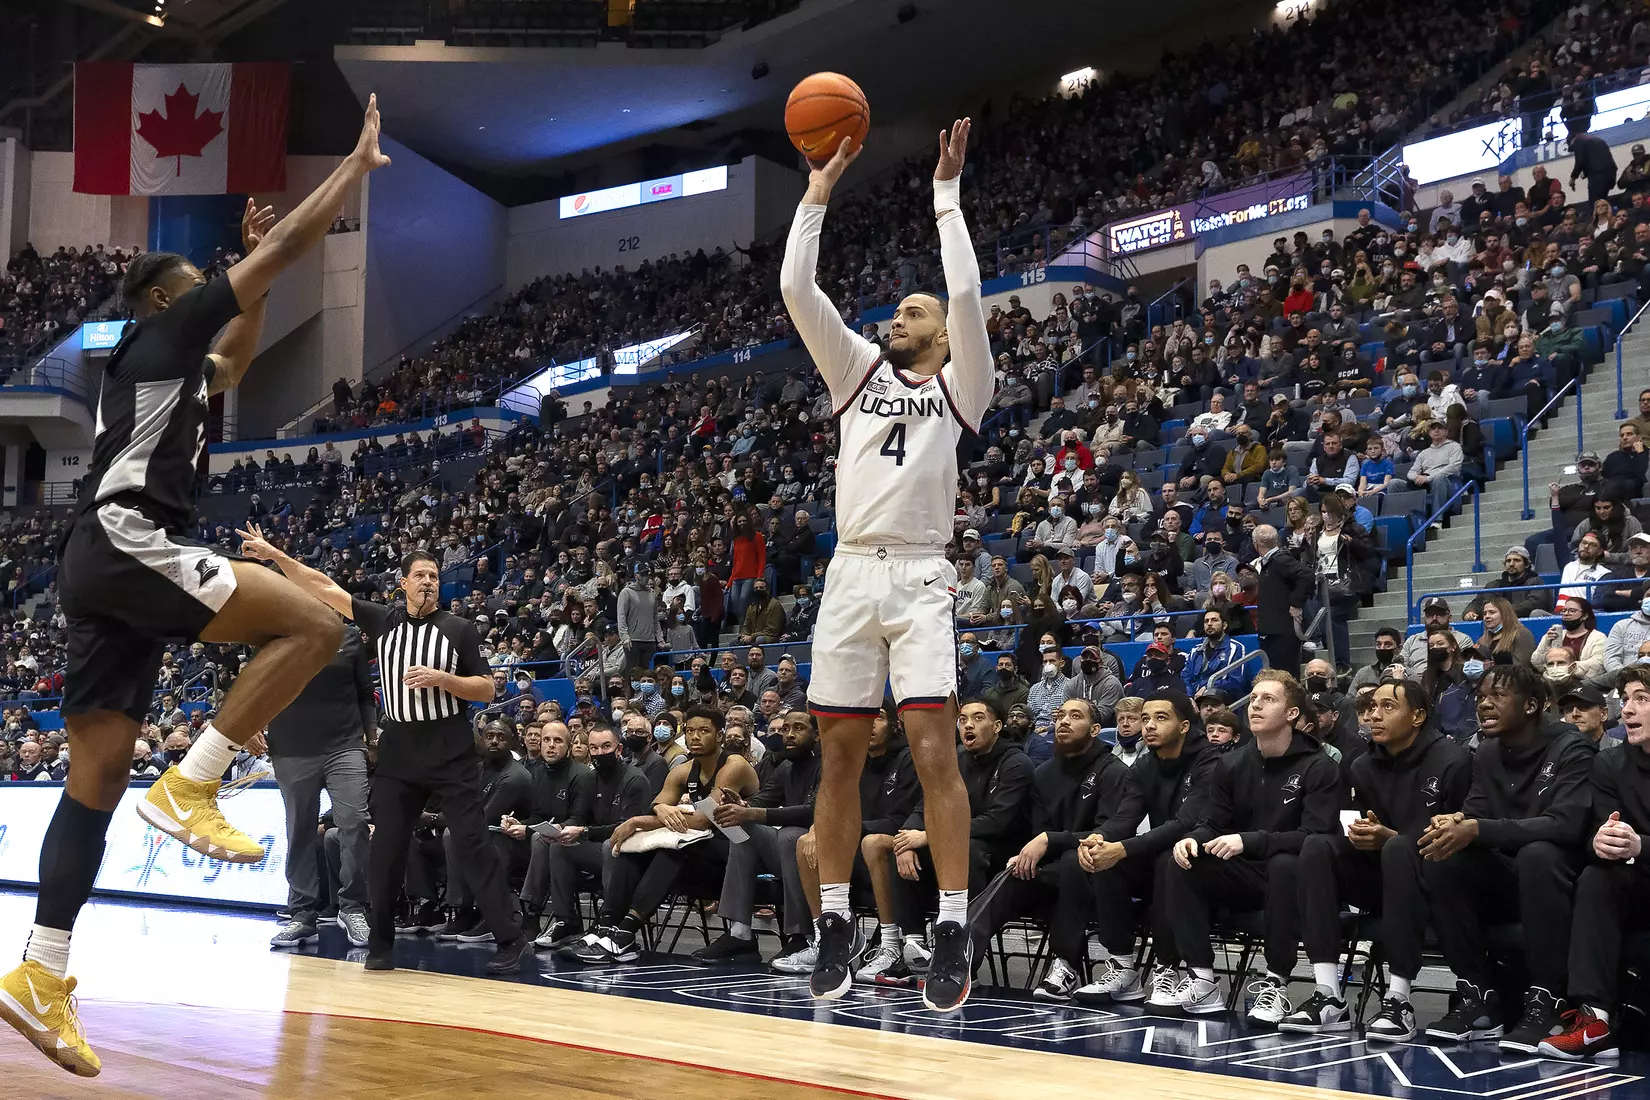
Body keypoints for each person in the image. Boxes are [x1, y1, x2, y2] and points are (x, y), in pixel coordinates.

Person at [0, 97, 391, 1078]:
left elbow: (240, 357)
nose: (215, 292)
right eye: (201, 288)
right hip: (130, 537)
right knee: (315, 624)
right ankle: (194, 780)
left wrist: (247, 283)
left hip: (98, 560)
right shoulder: (163, 334)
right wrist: (350, 170)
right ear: (164, 302)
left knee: (94, 781)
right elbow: (290, 249)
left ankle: (39, 970)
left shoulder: (172, 369)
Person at [779, 122, 991, 1009]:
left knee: (934, 748)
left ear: (943, 336)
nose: (896, 320)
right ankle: (834, 919)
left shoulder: (963, 384)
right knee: (838, 754)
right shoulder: (856, 373)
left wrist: (945, 196)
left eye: (913, 314)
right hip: (851, 574)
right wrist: (818, 189)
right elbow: (797, 287)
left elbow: (966, 290)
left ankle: (950, 925)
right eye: (896, 313)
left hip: (920, 576)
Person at [234, 535, 529, 975]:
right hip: (399, 749)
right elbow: (322, 586)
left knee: (472, 842)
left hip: (449, 748)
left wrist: (443, 680)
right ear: (403, 583)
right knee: (386, 847)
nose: (428, 582)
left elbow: (487, 689)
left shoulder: (460, 629)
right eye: (420, 575)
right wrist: (276, 556)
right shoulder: (382, 621)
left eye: (434, 576)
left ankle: (510, 938)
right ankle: (380, 944)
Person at [1278, 681, 1470, 1038]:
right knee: (1317, 847)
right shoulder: (1362, 764)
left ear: (1418, 716)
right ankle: (1328, 994)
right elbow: (1349, 821)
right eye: (1371, 708)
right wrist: (1360, 834)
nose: (1373, 716)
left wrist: (1392, 838)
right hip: (1379, 878)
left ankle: (1399, 1000)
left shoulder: (1454, 760)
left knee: (1397, 850)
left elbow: (1457, 842)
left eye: (1387, 707)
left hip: (1436, 882)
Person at [1419, 664, 1595, 1052]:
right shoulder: (1485, 752)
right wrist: (1454, 821)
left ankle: (1549, 1001)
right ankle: (1479, 997)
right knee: (1442, 854)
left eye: (1498, 696)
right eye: (1481, 697)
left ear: (1531, 705)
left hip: (1560, 880)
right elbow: (1476, 812)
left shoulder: (1573, 747)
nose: (1484, 704)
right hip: (1506, 877)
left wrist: (1477, 828)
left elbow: (1565, 825)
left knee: (1538, 854)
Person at [1159, 670, 1340, 1022]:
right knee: (1181, 862)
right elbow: (1213, 822)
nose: (1255, 705)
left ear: (1292, 714)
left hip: (1297, 878)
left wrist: (1249, 840)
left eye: (1268, 699)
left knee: (1285, 864)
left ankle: (1276, 982)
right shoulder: (1231, 763)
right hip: (1244, 874)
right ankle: (1202, 979)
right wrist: (1193, 839)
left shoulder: (1319, 766)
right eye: (1254, 698)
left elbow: (1314, 835)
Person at [970, 698, 1145, 1002]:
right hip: (1054, 871)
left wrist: (1053, 840)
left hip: (1101, 874)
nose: (1063, 721)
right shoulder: (1044, 774)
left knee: (1073, 860)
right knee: (1012, 874)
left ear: (1095, 730)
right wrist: (1031, 853)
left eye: (1075, 716)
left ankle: (1066, 966)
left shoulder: (1114, 771)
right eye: (1061, 715)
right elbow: (1039, 832)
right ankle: (962, 959)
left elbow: (1110, 833)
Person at [870, 699, 1033, 984]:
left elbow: (998, 822)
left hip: (1002, 854)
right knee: (903, 847)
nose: (968, 725)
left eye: (978, 718)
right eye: (963, 719)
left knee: (963, 849)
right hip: (952, 843)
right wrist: (907, 838)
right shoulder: (954, 759)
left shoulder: (1017, 763)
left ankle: (962, 959)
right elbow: (924, 805)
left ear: (997, 726)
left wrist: (930, 836)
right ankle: (914, 947)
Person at [1075, 690, 1218, 1005]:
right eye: (1145, 719)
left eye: (1160, 718)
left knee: (1168, 859)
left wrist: (1123, 848)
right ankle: (1123, 967)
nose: (1149, 726)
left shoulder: (1211, 761)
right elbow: (1125, 816)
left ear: (1184, 726)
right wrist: (1099, 838)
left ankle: (1167, 968)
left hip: (1207, 860)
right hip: (1163, 854)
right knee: (1106, 860)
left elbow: (1186, 823)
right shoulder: (1144, 765)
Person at [585, 708, 760, 964]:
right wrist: (660, 809)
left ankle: (626, 932)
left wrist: (637, 820)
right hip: (703, 853)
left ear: (720, 735)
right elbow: (657, 805)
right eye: (690, 731)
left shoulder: (734, 766)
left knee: (678, 847)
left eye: (704, 731)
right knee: (632, 847)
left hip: (741, 855)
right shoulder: (683, 770)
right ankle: (607, 926)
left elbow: (703, 821)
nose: (695, 737)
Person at [1539, 667, 1650, 1058]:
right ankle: (1594, 1019)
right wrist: (1600, 842)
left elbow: (1637, 845)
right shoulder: (1609, 763)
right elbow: (1595, 834)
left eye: (1642, 699)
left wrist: (1641, 845)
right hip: (1638, 882)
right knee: (1596, 877)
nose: (1628, 709)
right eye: (1625, 699)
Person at [266, 624, 376, 951]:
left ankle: (352, 907)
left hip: (345, 744)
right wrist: (249, 727)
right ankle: (302, 914)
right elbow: (259, 686)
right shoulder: (273, 632)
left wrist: (371, 739)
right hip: (290, 748)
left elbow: (364, 691)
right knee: (300, 829)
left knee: (355, 821)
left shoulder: (349, 636)